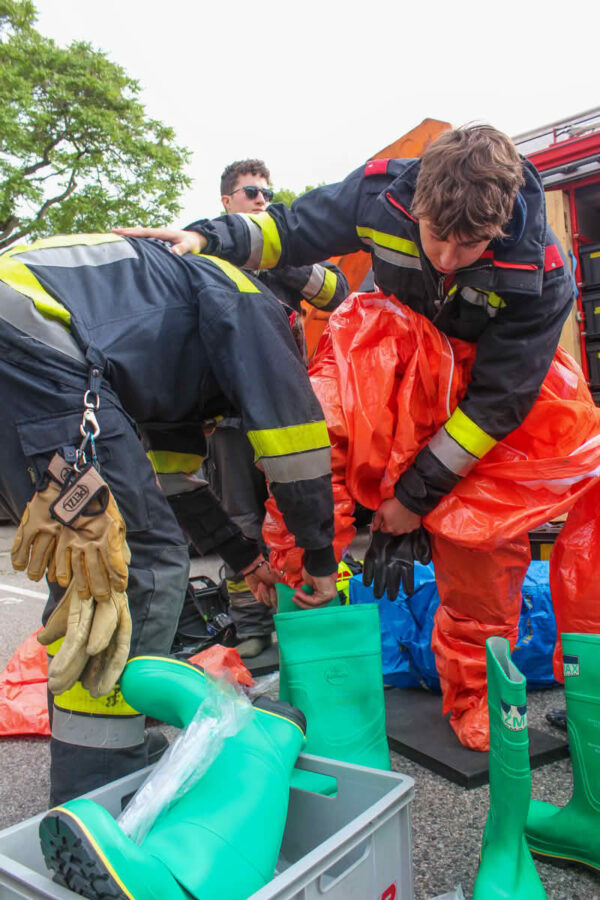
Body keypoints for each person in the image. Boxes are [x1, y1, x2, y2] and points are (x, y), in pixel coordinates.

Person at [117, 125, 579, 749]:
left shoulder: (542, 272)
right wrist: (206, 235)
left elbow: (496, 407)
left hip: (480, 404)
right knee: (346, 365)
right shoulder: (380, 193)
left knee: (485, 543)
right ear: (416, 205)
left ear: (497, 228)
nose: (445, 258)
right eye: (436, 236)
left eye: (467, 245)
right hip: (389, 369)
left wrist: (413, 500)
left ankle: (477, 697)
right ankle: (303, 587)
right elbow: (290, 230)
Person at [0, 232, 337, 804]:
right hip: (35, 341)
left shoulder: (176, 337)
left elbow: (177, 482)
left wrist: (245, 558)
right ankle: (99, 781)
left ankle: (99, 748)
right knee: (137, 564)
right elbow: (296, 445)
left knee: (87, 569)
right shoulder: (252, 306)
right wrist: (321, 559)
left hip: (24, 344)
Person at [121, 159, 348, 658]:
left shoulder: (278, 255)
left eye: (268, 193)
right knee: (243, 518)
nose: (262, 199)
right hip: (228, 418)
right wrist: (227, 252)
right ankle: (251, 625)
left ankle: (303, 614)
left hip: (286, 410)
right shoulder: (205, 259)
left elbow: (337, 291)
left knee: (303, 510)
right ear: (226, 203)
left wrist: (262, 252)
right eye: (250, 193)